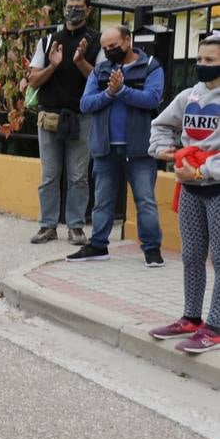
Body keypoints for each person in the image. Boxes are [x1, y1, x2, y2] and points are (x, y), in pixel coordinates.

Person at [68, 25, 165, 266]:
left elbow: (152, 99)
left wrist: (122, 90)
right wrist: (109, 94)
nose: (109, 51)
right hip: (105, 148)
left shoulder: (151, 66)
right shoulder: (100, 71)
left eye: (114, 46)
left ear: (128, 41)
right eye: (105, 48)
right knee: (102, 201)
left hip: (140, 148)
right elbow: (85, 104)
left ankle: (152, 250)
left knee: (145, 200)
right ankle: (98, 245)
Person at [147, 34, 220, 352]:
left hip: (216, 187)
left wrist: (204, 170)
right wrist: (163, 149)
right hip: (190, 188)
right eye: (199, 59)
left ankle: (215, 326)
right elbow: (161, 124)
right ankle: (191, 318)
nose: (201, 65)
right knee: (191, 256)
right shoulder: (189, 96)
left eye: (210, 60)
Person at [27, 0, 100, 245]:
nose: (73, 12)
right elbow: (33, 79)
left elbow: (100, 80)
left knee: (78, 176)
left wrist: (80, 61)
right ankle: (47, 225)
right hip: (49, 117)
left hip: (82, 117)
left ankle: (76, 226)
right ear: (63, 8)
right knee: (49, 175)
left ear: (88, 10)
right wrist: (53, 65)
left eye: (79, 8)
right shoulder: (48, 42)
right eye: (69, 7)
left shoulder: (96, 42)